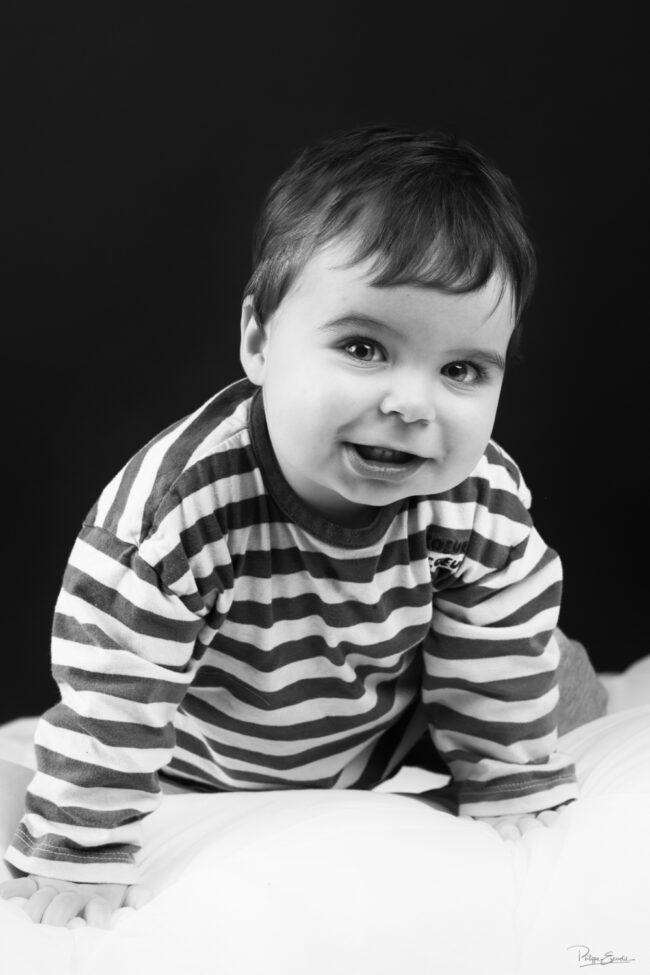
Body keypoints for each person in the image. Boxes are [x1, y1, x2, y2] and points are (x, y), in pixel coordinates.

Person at [0, 126, 607, 928]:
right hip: (200, 750)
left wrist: (504, 779)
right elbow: (116, 687)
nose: (412, 403)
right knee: (46, 780)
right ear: (258, 339)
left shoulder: (477, 498)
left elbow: (492, 654)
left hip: (387, 725)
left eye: (461, 369)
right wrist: (78, 852)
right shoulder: (178, 512)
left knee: (558, 680)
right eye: (364, 347)